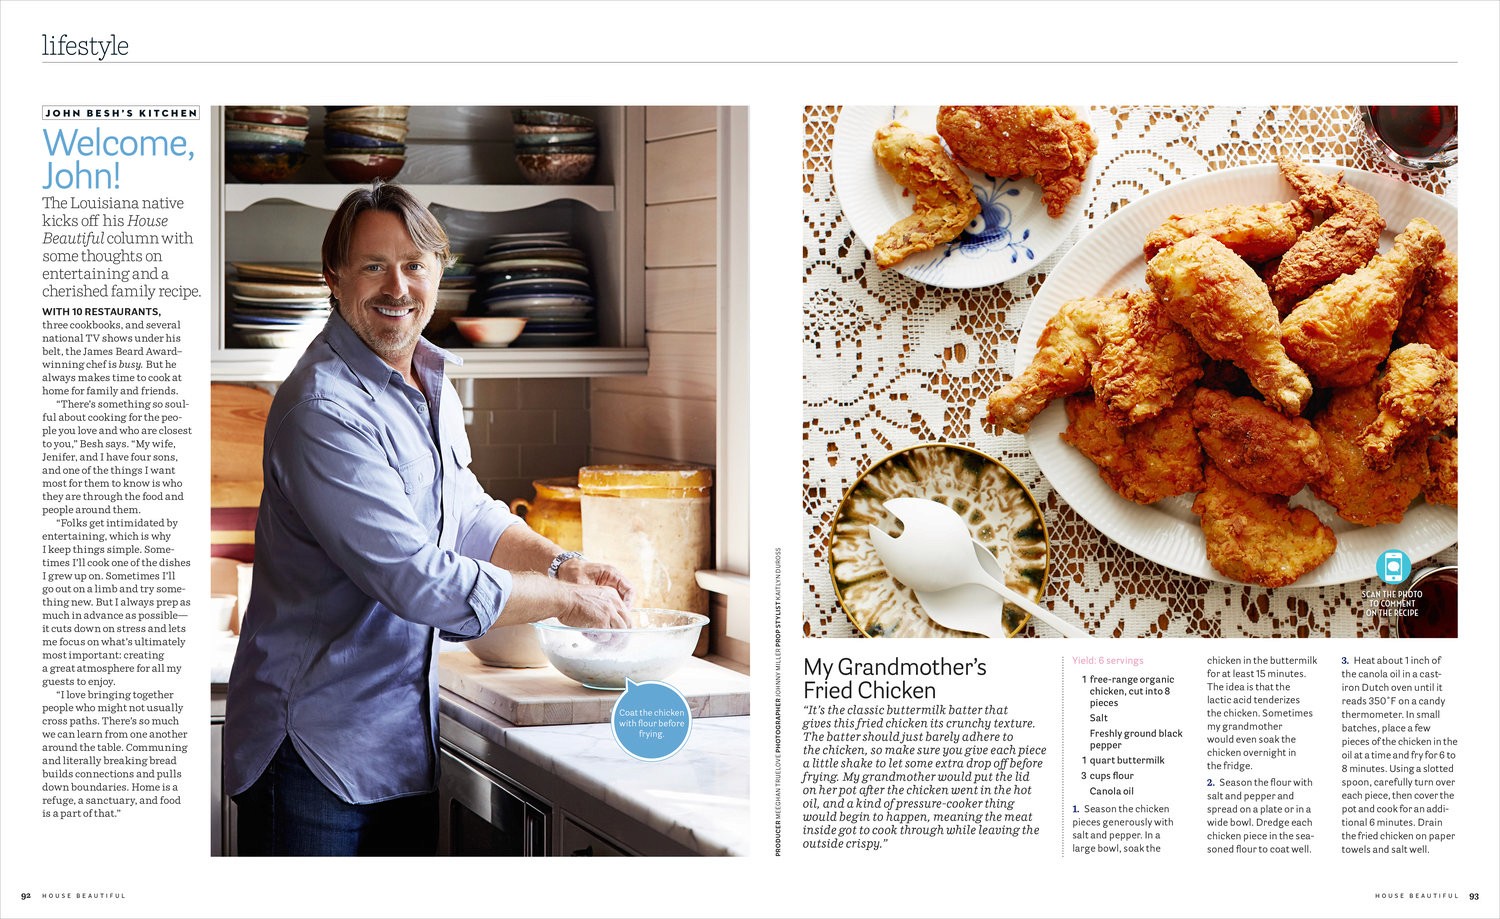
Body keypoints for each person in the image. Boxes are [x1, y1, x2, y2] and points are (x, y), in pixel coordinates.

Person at [224, 181, 634, 856]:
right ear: (333, 276)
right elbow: (421, 581)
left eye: (414, 263)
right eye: (373, 265)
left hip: (396, 744)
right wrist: (567, 600)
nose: (397, 286)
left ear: (440, 269)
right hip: (312, 752)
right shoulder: (324, 408)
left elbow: (465, 510)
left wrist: (563, 562)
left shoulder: (425, 376)